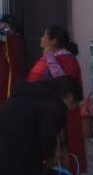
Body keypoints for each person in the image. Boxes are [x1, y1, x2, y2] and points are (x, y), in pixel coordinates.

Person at [0, 76, 84, 175]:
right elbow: (47, 137)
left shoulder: (31, 94)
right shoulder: (55, 105)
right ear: (69, 97)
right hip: (1, 149)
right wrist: (50, 158)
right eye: (73, 105)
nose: (70, 110)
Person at [26, 26, 87, 174]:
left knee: (65, 148)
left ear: (53, 40)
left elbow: (64, 84)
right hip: (44, 111)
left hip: (61, 114)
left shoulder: (66, 59)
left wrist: (51, 59)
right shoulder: (48, 56)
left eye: (44, 36)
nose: (41, 38)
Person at [0, 15, 25, 109]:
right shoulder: (5, 36)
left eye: (2, 23)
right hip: (1, 67)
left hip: (8, 69)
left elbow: (14, 54)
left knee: (4, 89)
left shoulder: (15, 37)